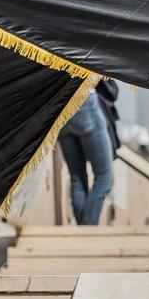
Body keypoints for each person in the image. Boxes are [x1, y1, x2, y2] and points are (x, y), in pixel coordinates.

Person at [57, 91, 115, 226]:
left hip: (60, 108)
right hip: (84, 101)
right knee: (105, 178)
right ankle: (87, 230)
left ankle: (82, 230)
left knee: (77, 178)